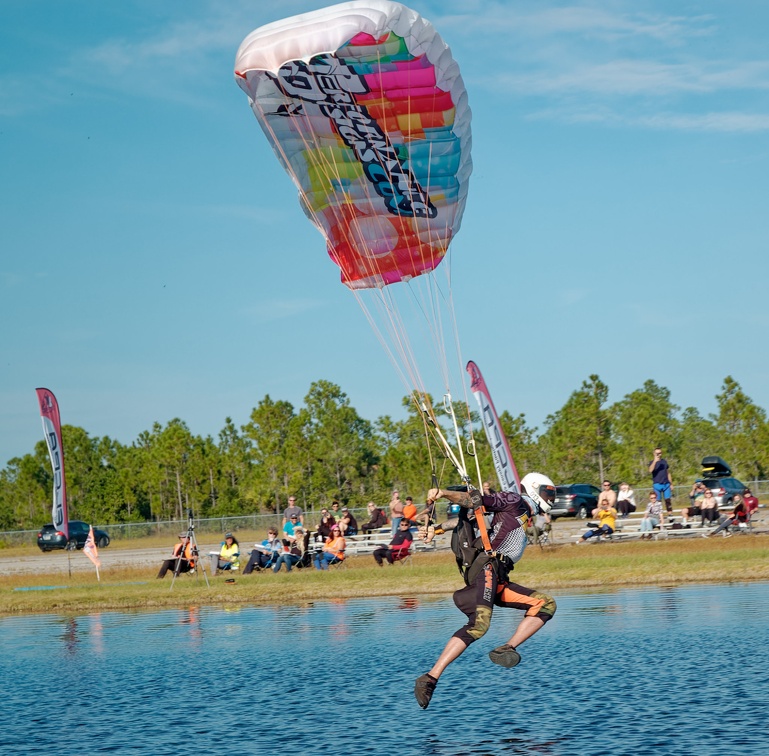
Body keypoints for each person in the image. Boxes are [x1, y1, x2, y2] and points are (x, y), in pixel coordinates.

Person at [413, 472, 557, 710]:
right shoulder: (514, 500)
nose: (551, 498)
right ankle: (430, 678)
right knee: (479, 625)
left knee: (545, 604)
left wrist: (437, 529)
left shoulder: (523, 513)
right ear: (534, 488)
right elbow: (474, 501)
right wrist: (445, 494)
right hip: (487, 569)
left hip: (499, 576)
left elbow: (477, 518)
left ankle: (506, 648)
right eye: (548, 493)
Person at [648, 447, 674, 513]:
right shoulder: (651, 462)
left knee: (668, 500)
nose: (658, 455)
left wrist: (671, 483)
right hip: (657, 484)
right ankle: (659, 515)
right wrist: (655, 461)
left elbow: (668, 472)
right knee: (658, 502)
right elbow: (650, 470)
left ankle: (670, 515)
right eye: (657, 453)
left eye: (660, 453)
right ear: (654, 453)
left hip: (666, 484)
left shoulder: (664, 462)